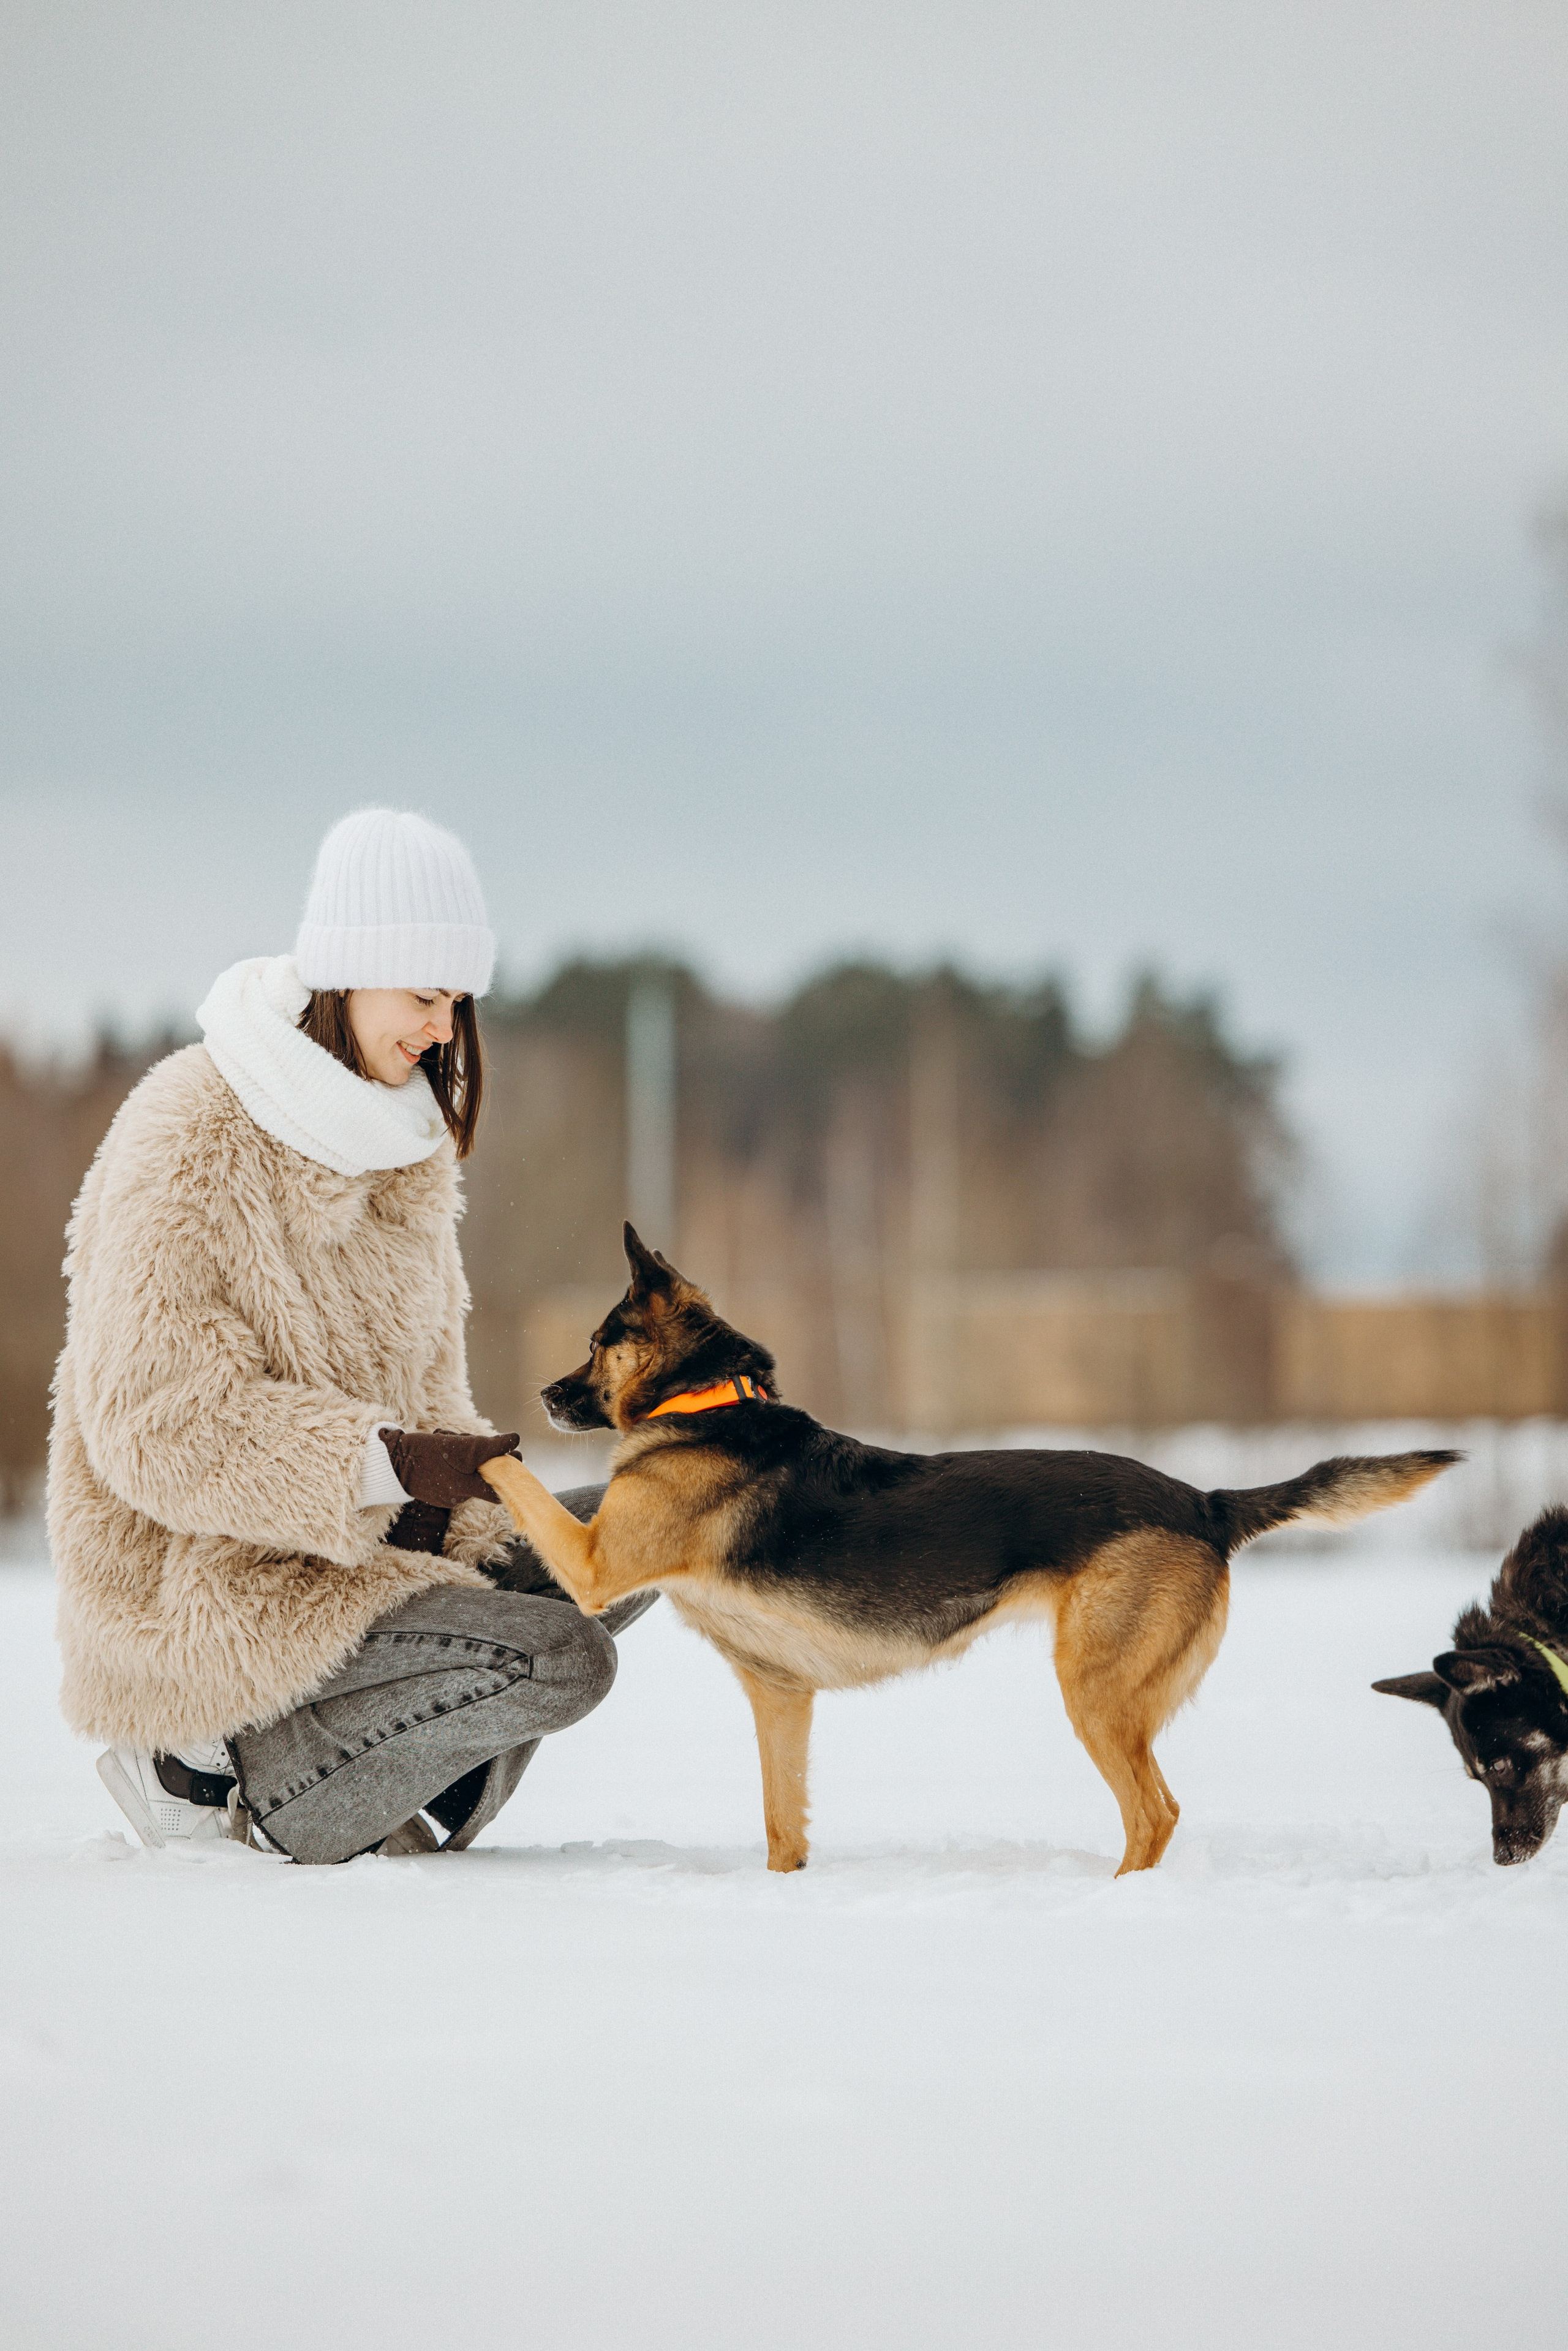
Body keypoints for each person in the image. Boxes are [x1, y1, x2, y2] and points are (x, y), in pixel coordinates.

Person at [48, 806, 650, 1862]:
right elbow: (152, 1424)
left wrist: (470, 1485)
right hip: (214, 1607)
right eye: (423, 994)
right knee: (566, 1659)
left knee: (647, 1530)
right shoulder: (194, 1127)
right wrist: (383, 1466)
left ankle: (371, 1766)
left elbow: (428, 1398)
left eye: (457, 1002)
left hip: (357, 1571)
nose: (442, 1028)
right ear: (347, 975)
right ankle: (225, 1778)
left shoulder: (404, 1151)